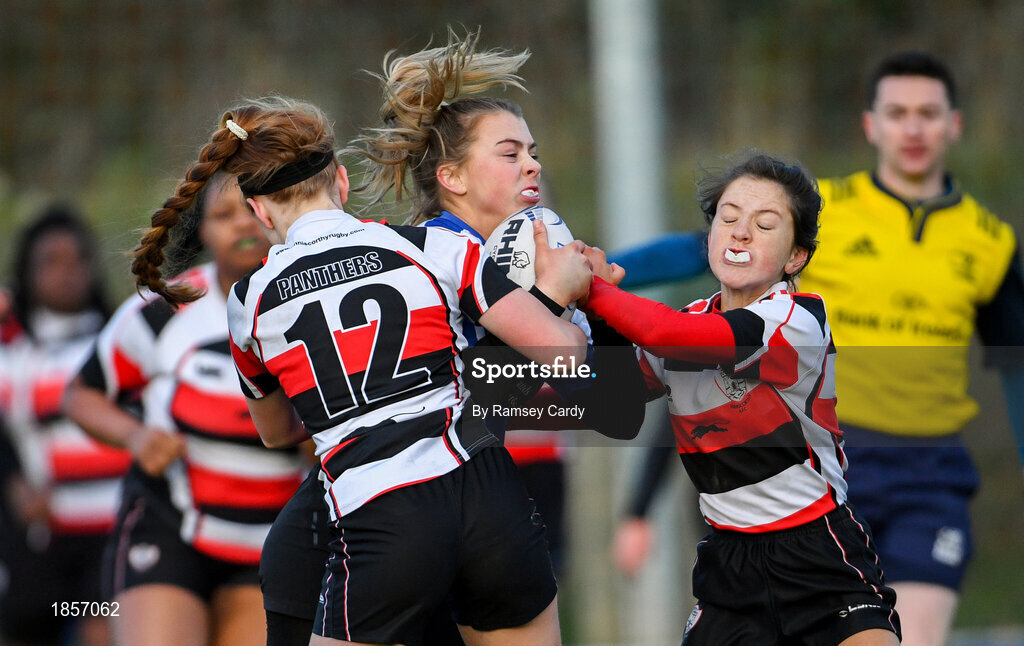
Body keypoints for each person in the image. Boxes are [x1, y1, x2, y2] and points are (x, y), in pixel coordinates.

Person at [125, 88, 597, 645]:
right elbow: (564, 355)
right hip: (490, 497)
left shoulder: (248, 301)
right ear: (342, 181)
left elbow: (276, 432)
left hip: (382, 514)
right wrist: (560, 291)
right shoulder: (431, 247)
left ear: (257, 210)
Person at [608, 50, 1024, 646]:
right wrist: (581, 277)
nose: (912, 128)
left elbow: (1015, 365)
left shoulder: (990, 242)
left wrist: (590, 290)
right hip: (828, 457)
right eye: (897, 112)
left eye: (928, 113)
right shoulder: (813, 206)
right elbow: (682, 294)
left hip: (926, 473)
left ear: (954, 125)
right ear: (870, 124)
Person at [251, 32, 646, 646]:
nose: (533, 165)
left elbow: (608, 405)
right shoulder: (427, 257)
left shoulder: (522, 258)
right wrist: (560, 306)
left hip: (456, 519)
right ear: (452, 177)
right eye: (510, 153)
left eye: (534, 152)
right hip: (355, 533)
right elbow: (489, 397)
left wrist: (602, 310)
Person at [582, 152, 901, 646]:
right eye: (728, 218)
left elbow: (670, 334)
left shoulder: (797, 320)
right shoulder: (687, 322)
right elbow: (611, 404)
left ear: (796, 256)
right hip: (729, 566)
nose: (740, 232)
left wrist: (595, 292)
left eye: (765, 224)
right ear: (710, 237)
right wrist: (598, 322)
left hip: (818, 553)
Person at [63, 171, 308, 646]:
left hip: (272, 538)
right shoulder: (164, 310)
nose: (242, 225)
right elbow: (80, 395)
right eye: (222, 215)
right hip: (166, 525)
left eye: (252, 208)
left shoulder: (317, 306)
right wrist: (136, 437)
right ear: (201, 231)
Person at [0, 206, 128, 646]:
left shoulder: (118, 338)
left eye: (76, 260)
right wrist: (13, 482)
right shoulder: (11, 352)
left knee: (99, 626)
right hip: (41, 537)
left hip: (113, 532)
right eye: (50, 262)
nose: (66, 273)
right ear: (26, 271)